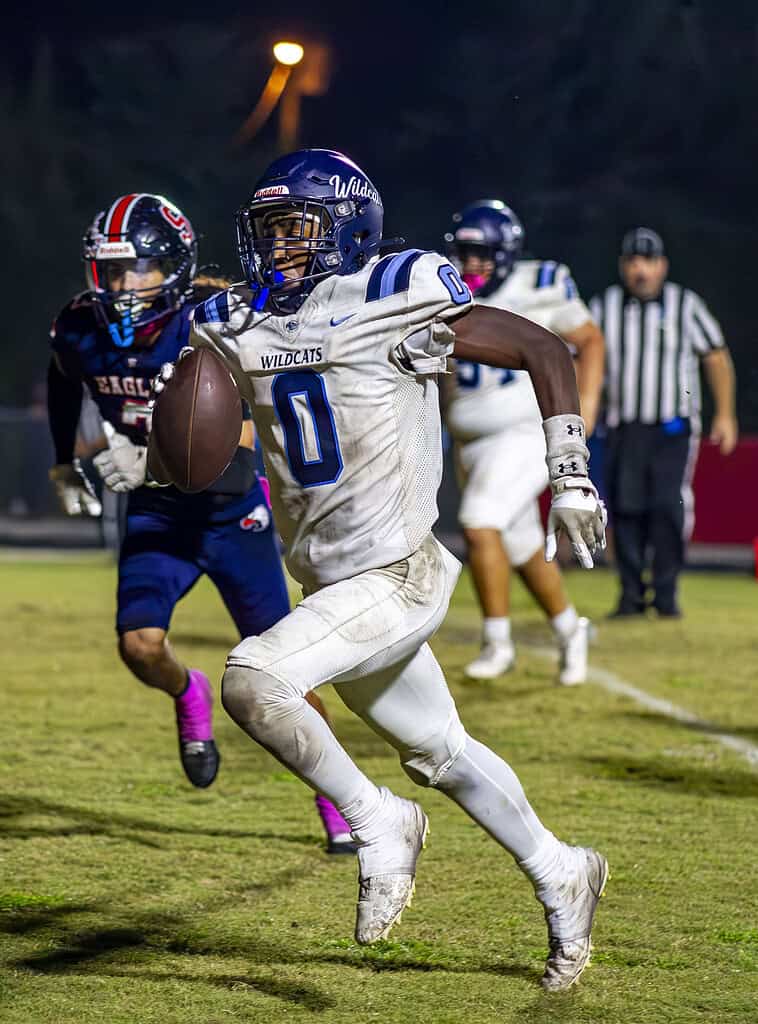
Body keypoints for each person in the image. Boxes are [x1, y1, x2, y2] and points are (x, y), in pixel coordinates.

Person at [155, 150, 609, 991]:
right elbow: (197, 426)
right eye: (269, 229)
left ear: (350, 226)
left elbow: (545, 347)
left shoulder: (394, 291)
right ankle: (562, 869)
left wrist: (570, 473)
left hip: (399, 571)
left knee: (254, 679)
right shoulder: (236, 320)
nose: (280, 245)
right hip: (331, 587)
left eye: (298, 226)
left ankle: (379, 823)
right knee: (440, 751)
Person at [47, 192, 356, 853]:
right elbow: (61, 376)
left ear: (174, 267)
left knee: (283, 679)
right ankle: (189, 694)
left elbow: (259, 429)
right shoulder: (80, 324)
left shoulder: (217, 323)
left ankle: (339, 801)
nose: (121, 287)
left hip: (230, 512)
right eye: (110, 270)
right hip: (158, 512)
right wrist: (63, 462)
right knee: (139, 645)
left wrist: (152, 450)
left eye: (135, 269)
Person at [442, 200, 605, 683]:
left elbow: (589, 338)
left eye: (482, 254)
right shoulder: (441, 285)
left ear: (508, 253)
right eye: (465, 252)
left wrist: (587, 406)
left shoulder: (541, 283)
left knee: (478, 521)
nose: (470, 264)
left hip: (525, 430)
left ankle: (497, 643)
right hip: (471, 439)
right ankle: (570, 630)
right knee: (519, 546)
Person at [590, 227, 738, 618]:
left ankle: (667, 594)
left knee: (666, 507)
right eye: (634, 261)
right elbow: (581, 357)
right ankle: (631, 597)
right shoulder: (603, 306)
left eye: (649, 262)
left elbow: (716, 356)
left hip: (672, 427)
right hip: (624, 425)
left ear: (662, 266)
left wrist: (724, 414)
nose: (641, 270)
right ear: (623, 266)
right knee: (625, 509)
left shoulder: (684, 305)